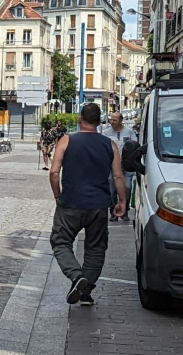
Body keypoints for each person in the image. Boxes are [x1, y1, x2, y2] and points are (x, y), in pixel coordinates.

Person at [48, 103, 126, 306]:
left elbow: (54, 172)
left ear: (79, 119)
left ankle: (76, 277)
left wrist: (57, 195)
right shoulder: (109, 145)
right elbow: (118, 175)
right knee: (96, 248)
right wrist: (122, 201)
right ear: (100, 121)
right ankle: (86, 290)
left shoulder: (67, 141)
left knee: (61, 241)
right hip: (99, 205)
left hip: (71, 203)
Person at [100, 111, 140, 221]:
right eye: (111, 119)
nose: (112, 122)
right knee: (112, 189)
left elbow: (134, 146)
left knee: (127, 187)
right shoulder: (106, 132)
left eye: (114, 120)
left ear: (121, 121)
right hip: (112, 165)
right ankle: (113, 211)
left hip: (126, 165)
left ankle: (125, 210)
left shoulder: (129, 131)